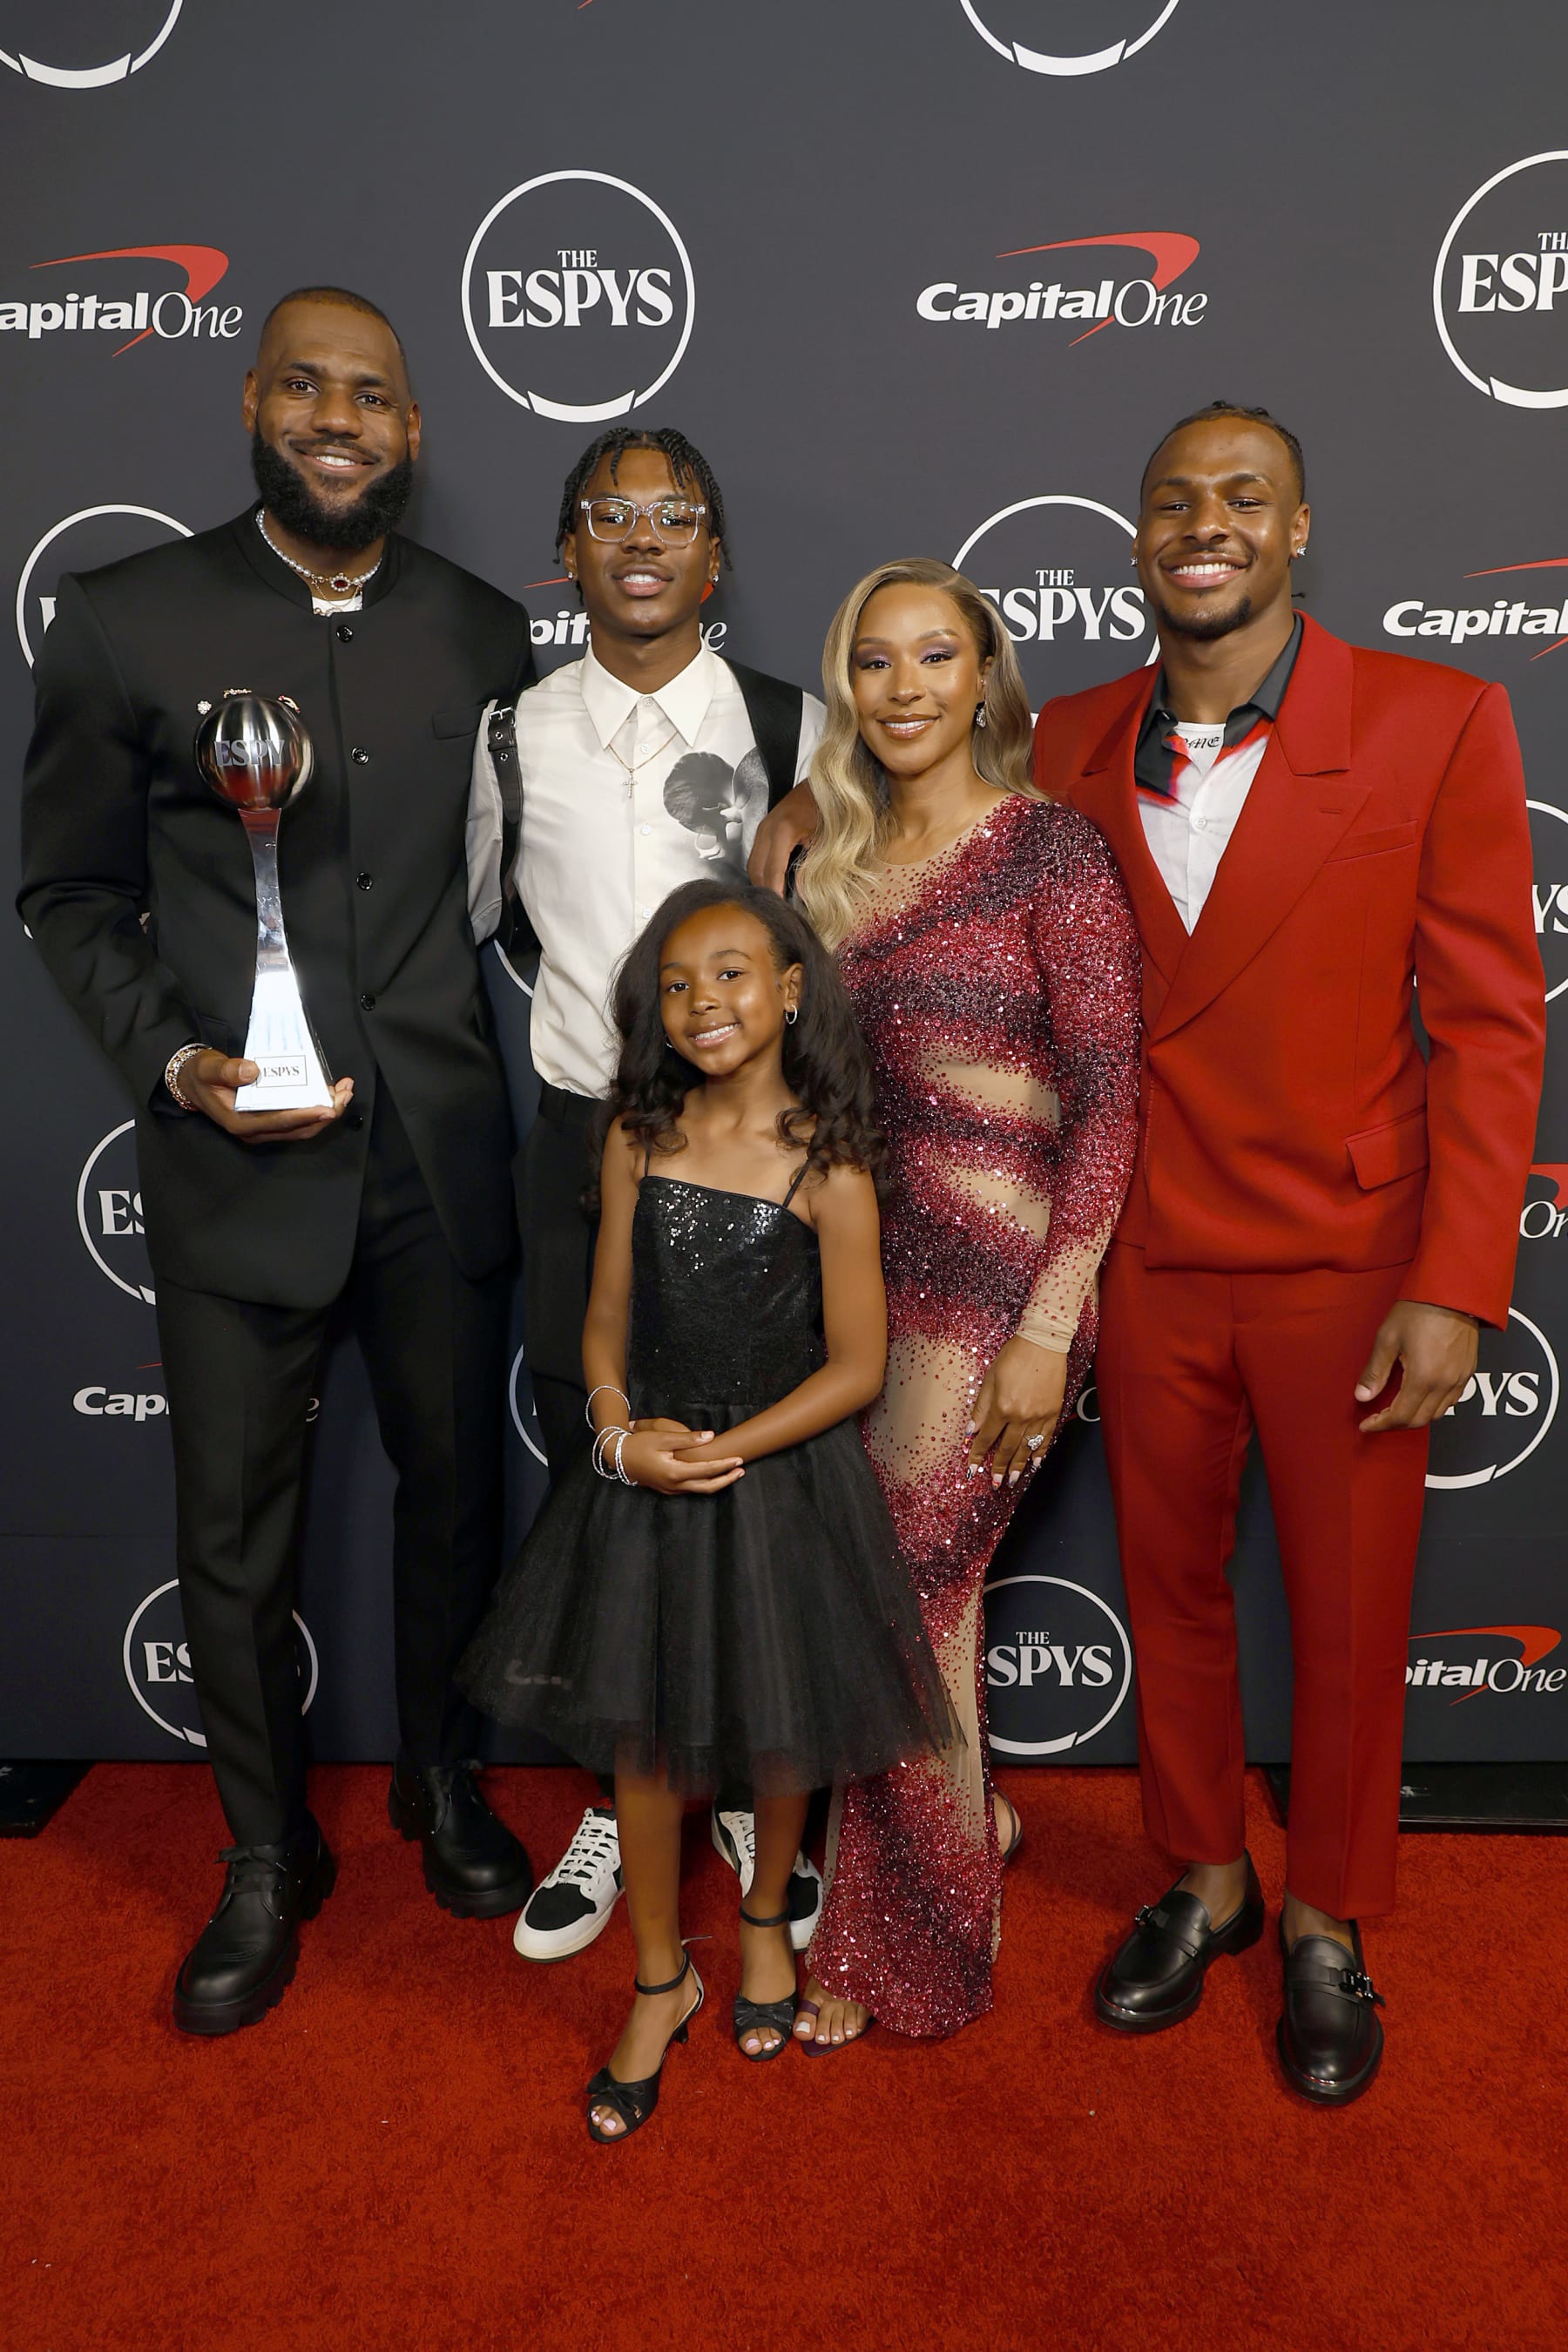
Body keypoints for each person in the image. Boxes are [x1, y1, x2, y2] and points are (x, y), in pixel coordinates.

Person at [18, 287, 535, 2035]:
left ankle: (442, 1783)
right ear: (252, 401)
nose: (338, 418)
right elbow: (68, 892)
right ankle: (261, 1854)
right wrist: (178, 1062)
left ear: (413, 430)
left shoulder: (482, 631)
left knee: (456, 1500)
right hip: (235, 1166)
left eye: (371, 396)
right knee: (234, 1536)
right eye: (306, 386)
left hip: (440, 1159)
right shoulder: (124, 622)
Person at [1031, 402, 1541, 2103]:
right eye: (1176, 498)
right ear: (1137, 535)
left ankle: (1327, 1914)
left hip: (1353, 1260)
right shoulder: (1066, 741)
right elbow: (938, 840)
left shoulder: (1435, 719)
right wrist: (812, 811)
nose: (1209, 523)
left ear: (1299, 528)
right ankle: (1208, 1878)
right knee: (1167, 1593)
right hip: (1150, 1250)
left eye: (1245, 496)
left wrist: (1459, 1281)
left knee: (1348, 1610)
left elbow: (1491, 1027)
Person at [460, 881, 952, 2139]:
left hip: (778, 1476)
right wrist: (619, 1435)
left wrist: (727, 1448)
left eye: (731, 974)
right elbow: (605, 1317)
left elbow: (858, 1366)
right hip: (646, 1475)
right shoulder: (637, 1137)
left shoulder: (831, 1162)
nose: (703, 1003)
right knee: (641, 1744)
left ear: (789, 990)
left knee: (783, 1723)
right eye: (676, 985)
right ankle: (658, 1977)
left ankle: (765, 1923)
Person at [468, 428, 828, 1963]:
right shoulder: (512, 733)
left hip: (758, 1157)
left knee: (758, 1475)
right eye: (608, 513)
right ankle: (628, 1795)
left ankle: (744, 1781)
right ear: (569, 550)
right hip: (584, 1142)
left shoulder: (793, 724)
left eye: (673, 515)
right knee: (601, 1469)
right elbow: (492, 921)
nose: (641, 536)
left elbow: (837, 924)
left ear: (714, 556)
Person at [774, 558, 1140, 2044]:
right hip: (859, 1282)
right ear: (847, 687)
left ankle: (906, 1944)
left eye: (937, 656)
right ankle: (962, 1826)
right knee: (892, 1596)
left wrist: (1052, 1322)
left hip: (1004, 1292)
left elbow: (1110, 1101)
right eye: (876, 661)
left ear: (986, 676)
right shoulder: (826, 862)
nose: (907, 686)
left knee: (908, 1596)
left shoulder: (1051, 849)